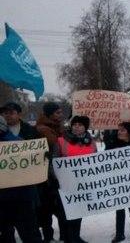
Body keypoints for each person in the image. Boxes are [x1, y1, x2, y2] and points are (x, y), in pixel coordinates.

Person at [0, 102, 43, 243]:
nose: (7, 115)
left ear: (19, 114)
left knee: (29, 229)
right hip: (3, 192)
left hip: (24, 190)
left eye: (11, 112)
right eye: (5, 113)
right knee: (5, 231)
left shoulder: (30, 131)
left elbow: (41, 153)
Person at [58, 115, 97, 243]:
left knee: (79, 211)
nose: (77, 127)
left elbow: (96, 161)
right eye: (74, 124)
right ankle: (68, 238)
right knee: (67, 213)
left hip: (84, 183)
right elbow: (54, 162)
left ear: (85, 127)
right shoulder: (62, 140)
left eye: (80, 125)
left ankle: (75, 236)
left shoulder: (91, 142)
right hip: (66, 183)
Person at [35, 102, 67, 242]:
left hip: (57, 173)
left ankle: (63, 235)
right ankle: (48, 236)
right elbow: (58, 144)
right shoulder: (43, 129)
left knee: (60, 207)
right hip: (47, 176)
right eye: (57, 112)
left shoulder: (57, 127)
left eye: (61, 112)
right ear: (50, 114)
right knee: (48, 207)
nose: (60, 115)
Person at [109, 122, 130, 243]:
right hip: (118, 181)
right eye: (119, 130)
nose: (119, 132)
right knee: (120, 208)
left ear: (129, 132)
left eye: (122, 130)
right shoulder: (113, 144)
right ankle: (119, 234)